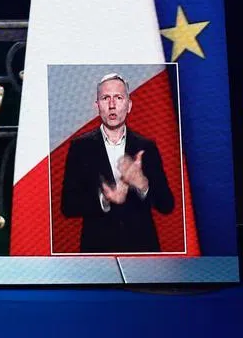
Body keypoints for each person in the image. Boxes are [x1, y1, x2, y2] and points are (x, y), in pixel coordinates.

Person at [60, 72, 175, 253]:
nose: (112, 105)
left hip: (142, 250)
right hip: (97, 252)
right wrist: (104, 198)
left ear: (129, 105)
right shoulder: (80, 147)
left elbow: (167, 205)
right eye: (106, 98)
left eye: (118, 98)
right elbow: (67, 206)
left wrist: (142, 184)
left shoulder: (146, 147)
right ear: (97, 105)